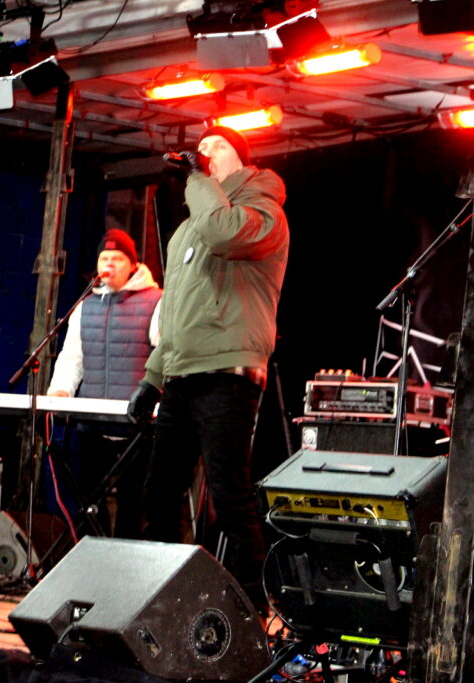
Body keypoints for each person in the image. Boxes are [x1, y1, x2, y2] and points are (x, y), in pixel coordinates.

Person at [127, 126, 289, 613]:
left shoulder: (263, 209)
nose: (204, 151)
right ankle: (165, 605)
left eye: (217, 145)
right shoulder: (187, 229)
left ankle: (253, 609)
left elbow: (224, 233)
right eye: (200, 147)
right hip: (182, 374)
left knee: (228, 494)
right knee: (159, 495)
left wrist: (198, 178)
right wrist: (152, 378)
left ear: (241, 159)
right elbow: (176, 311)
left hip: (228, 371)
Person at [46, 229, 161, 538]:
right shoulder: (84, 307)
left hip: (138, 425)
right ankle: (93, 556)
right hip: (93, 424)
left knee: (133, 505)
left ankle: (126, 561)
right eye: (104, 258)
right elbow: (72, 357)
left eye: (117, 258)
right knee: (88, 502)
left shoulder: (155, 301)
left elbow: (165, 355)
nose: (109, 264)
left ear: (133, 265)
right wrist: (60, 391)